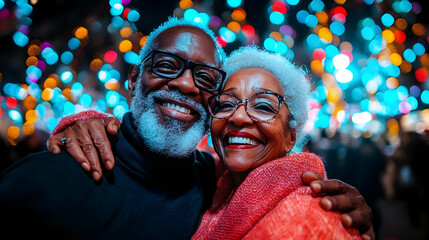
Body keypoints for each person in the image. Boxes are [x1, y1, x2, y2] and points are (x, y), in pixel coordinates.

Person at [1, 16, 372, 239]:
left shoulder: (214, 182)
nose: (185, 85)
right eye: (166, 66)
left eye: (205, 77)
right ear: (133, 79)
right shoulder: (45, 180)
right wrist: (79, 122)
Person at [192, 45, 361, 239]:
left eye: (263, 107)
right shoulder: (213, 183)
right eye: (226, 104)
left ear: (291, 136)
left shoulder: (310, 218)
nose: (238, 117)